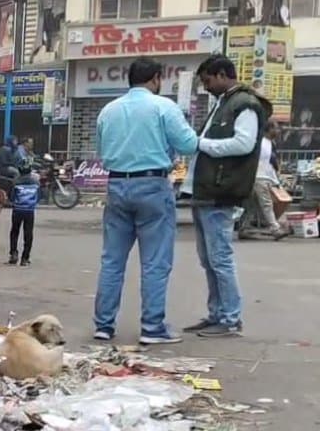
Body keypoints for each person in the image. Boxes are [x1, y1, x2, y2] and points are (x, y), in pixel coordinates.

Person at [93, 57, 199, 344]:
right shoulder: (164, 107)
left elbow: (101, 151)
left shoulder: (108, 111)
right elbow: (189, 144)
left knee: (112, 260)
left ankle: (103, 325)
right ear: (155, 79)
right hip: (152, 184)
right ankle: (152, 327)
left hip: (116, 184)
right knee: (155, 261)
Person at [181, 54, 272, 338]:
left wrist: (203, 144)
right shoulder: (225, 103)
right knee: (209, 259)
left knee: (220, 258)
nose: (206, 87)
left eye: (208, 81)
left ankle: (230, 318)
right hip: (207, 191)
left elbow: (243, 144)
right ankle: (217, 314)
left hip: (222, 191)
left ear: (222, 75)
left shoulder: (244, 105)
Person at [247, 121, 289, 240]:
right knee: (266, 204)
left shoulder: (271, 143)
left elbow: (270, 164)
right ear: (269, 129)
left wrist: (276, 180)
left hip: (263, 177)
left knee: (251, 205)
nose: (278, 131)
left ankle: (244, 228)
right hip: (258, 177)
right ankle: (275, 229)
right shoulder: (259, 142)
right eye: (276, 129)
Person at [9, 159, 39, 265]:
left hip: (17, 210)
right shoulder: (35, 181)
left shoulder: (16, 181)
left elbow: (12, 197)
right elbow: (39, 197)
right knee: (28, 234)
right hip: (29, 211)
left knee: (14, 232)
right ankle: (25, 258)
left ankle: (13, 254)